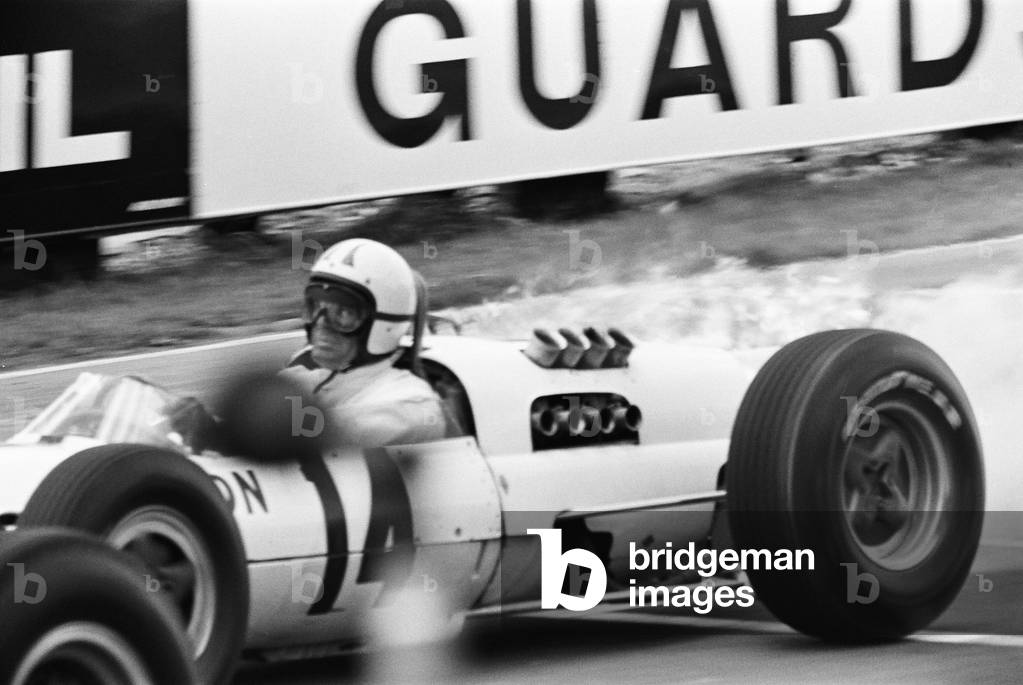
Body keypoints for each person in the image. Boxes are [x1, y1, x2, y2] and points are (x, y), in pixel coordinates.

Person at [280, 238, 447, 447]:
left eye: (343, 312)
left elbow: (321, 433)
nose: (321, 323)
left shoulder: (411, 403)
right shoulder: (312, 378)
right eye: (316, 306)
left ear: (381, 323)